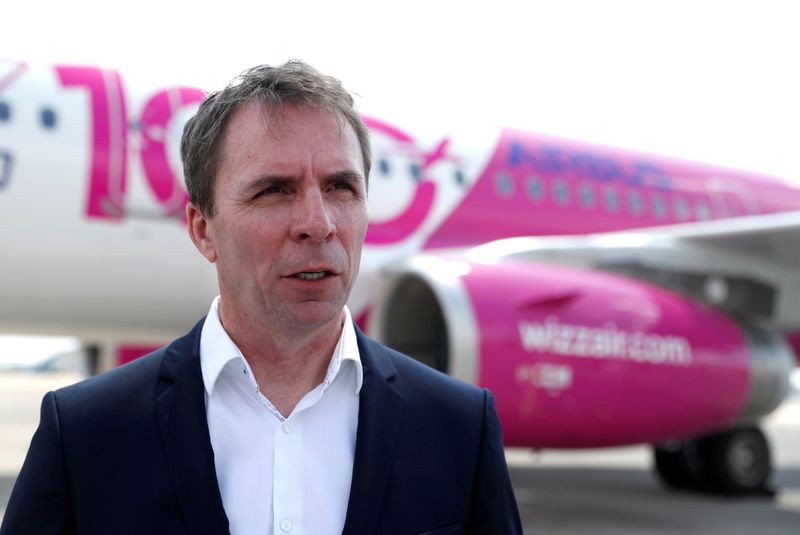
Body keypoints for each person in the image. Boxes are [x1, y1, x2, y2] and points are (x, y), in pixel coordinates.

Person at [0, 61, 522, 535]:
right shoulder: (84, 433)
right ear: (203, 230)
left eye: (342, 187)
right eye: (274, 190)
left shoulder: (460, 427)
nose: (318, 224)